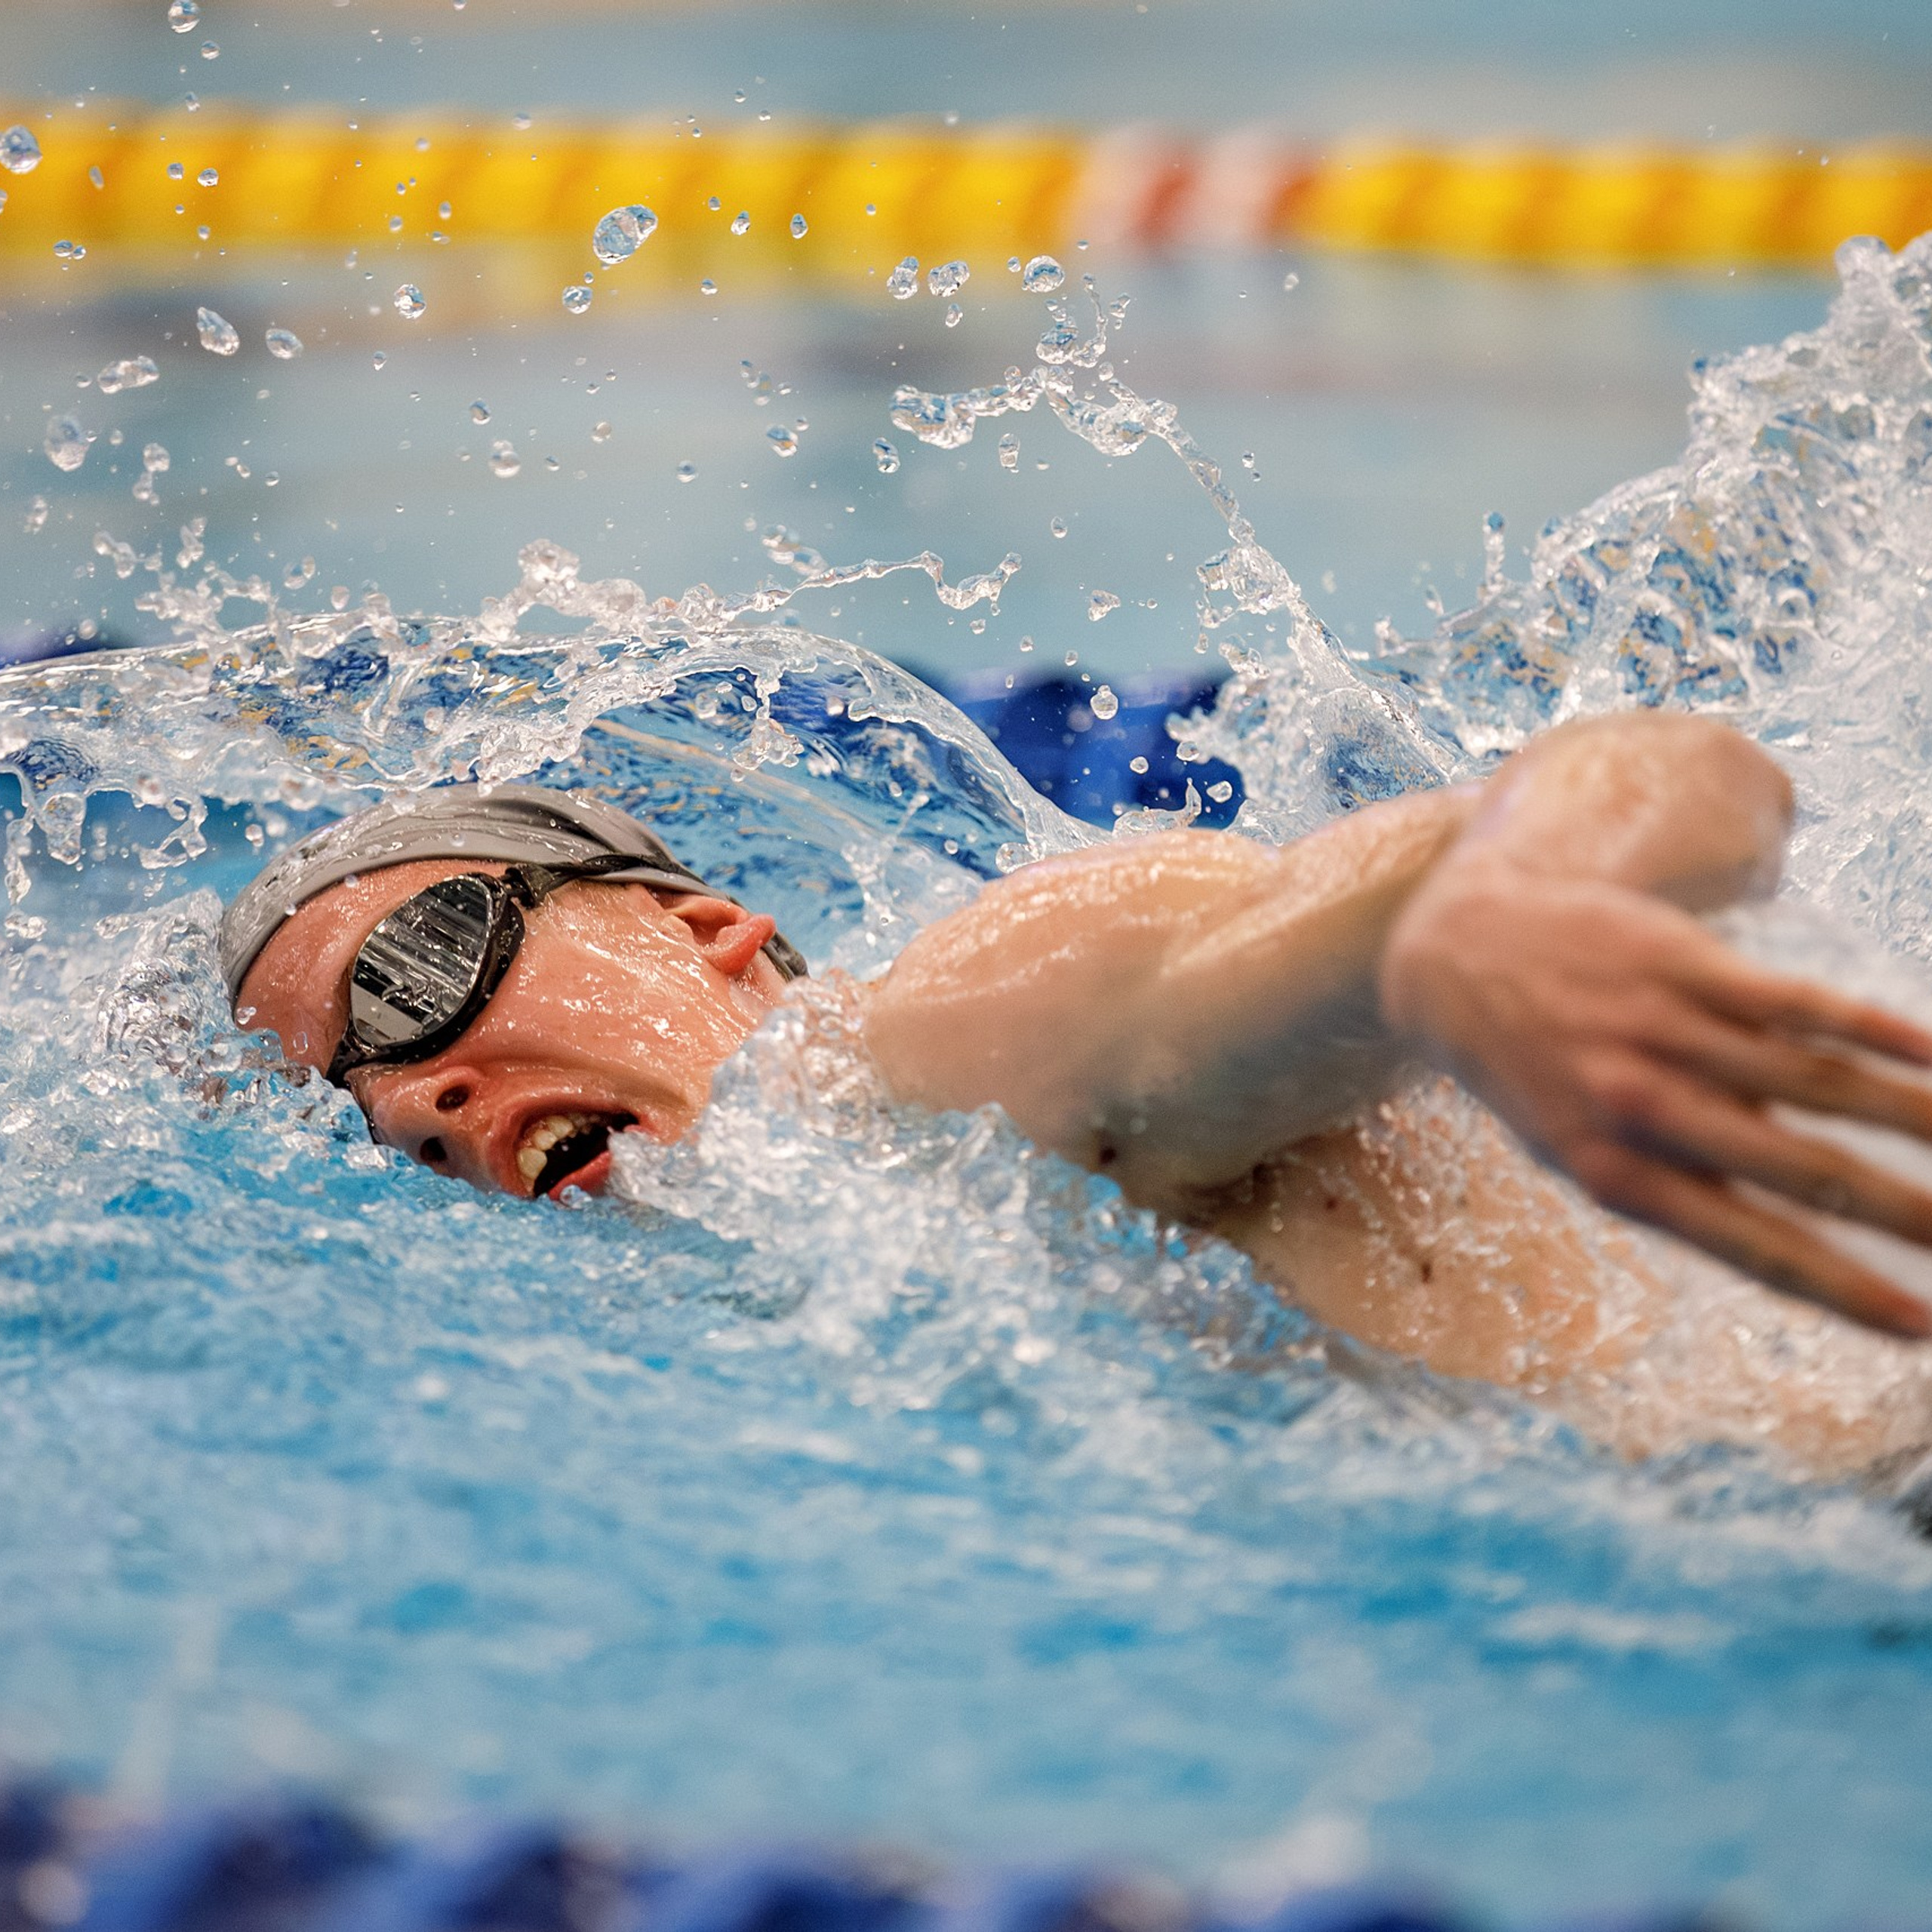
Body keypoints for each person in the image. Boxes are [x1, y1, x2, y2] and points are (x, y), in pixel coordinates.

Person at [221, 709, 1932, 1484]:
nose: (418, 1087)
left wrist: (1496, 902)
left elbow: (1679, 770)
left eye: (419, 964)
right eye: (352, 1098)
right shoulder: (816, 1307)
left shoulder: (923, 1051)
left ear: (706, 929)